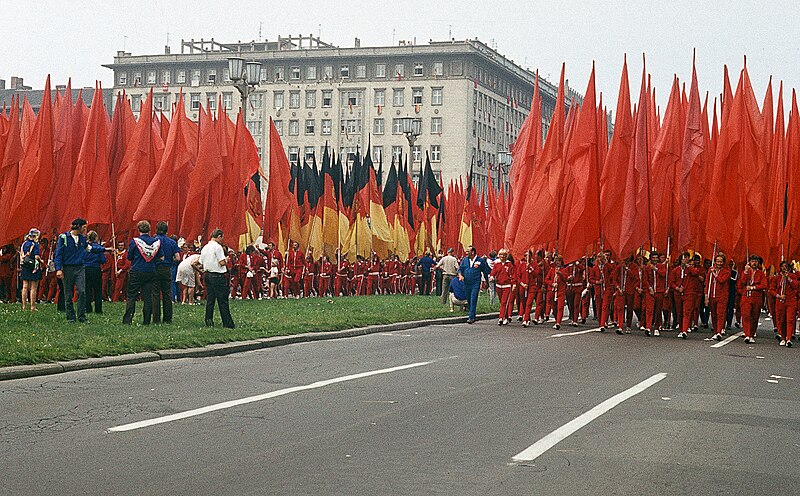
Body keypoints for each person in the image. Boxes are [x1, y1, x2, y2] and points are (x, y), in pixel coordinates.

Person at [54, 218, 108, 323]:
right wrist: (58, 269)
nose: (85, 229)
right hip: (67, 267)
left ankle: (82, 316)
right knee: (68, 293)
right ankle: (71, 317)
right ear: (78, 226)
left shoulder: (82, 239)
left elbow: (90, 249)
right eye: (84, 227)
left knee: (82, 291)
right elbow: (58, 254)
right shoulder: (64, 238)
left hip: (80, 267)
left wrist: (104, 249)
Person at [122, 220, 163, 325]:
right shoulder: (156, 242)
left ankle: (128, 320)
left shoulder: (134, 242)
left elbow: (130, 257)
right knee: (148, 297)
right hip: (150, 271)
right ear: (149, 230)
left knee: (131, 296)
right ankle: (146, 321)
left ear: (138, 229)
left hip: (136, 270)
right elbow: (161, 257)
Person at [200, 229, 235, 328]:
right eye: (222, 237)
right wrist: (227, 259)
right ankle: (227, 323)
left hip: (207, 274)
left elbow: (201, 262)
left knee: (210, 300)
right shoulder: (217, 247)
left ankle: (209, 320)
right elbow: (222, 262)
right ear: (219, 236)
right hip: (218, 275)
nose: (222, 240)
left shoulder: (205, 247)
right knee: (222, 300)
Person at [150, 222, 180, 324]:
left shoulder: (153, 241)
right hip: (167, 268)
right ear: (167, 230)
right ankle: (167, 318)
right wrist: (171, 261)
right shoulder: (172, 242)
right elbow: (178, 257)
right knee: (167, 294)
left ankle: (156, 318)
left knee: (155, 294)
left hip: (155, 268)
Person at [457, 245, 490, 324]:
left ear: (473, 252)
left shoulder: (480, 260)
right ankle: (473, 315)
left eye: (468, 251)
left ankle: (471, 317)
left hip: (475, 283)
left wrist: (486, 282)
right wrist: (460, 275)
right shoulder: (465, 260)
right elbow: (460, 269)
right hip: (466, 283)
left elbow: (485, 272)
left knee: (473, 298)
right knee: (468, 299)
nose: (466, 252)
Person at [738, 255, 767, 344]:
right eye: (752, 261)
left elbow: (764, 285)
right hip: (746, 297)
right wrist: (746, 272)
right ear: (749, 262)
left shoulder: (761, 273)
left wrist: (753, 287)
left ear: (758, 263)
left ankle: (751, 333)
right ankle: (747, 334)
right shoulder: (745, 272)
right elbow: (741, 283)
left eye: (755, 261)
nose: (754, 263)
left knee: (754, 317)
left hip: (756, 298)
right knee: (746, 315)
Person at [770, 261, 798, 347]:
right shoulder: (777, 278)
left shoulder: (793, 276)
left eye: (786, 266)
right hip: (780, 301)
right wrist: (778, 296)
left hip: (791, 301)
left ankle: (789, 338)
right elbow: (771, 290)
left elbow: (796, 286)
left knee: (790, 320)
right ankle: (782, 337)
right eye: (782, 266)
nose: (784, 268)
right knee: (781, 320)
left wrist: (788, 278)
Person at [706, 254, 732, 342]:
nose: (719, 263)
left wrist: (715, 274)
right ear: (715, 262)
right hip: (712, 295)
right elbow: (707, 284)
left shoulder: (727, 271)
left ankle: (719, 332)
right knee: (713, 314)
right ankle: (715, 330)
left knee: (720, 314)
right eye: (718, 261)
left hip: (722, 296)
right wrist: (706, 295)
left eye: (721, 261)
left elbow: (721, 280)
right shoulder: (710, 270)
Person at [489, 248, 516, 325]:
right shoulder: (497, 264)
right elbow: (493, 272)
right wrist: (491, 276)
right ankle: (506, 317)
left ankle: (501, 317)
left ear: (506, 256)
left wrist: (514, 284)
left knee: (504, 302)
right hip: (498, 285)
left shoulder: (509, 264)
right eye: (500, 255)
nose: (502, 257)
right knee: (502, 302)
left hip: (507, 285)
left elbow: (513, 275)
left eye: (503, 255)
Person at [84, 231, 107, 315]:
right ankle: (98, 309)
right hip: (96, 269)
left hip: (86, 269)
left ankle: (88, 308)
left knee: (87, 289)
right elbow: (103, 260)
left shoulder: (85, 248)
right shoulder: (98, 248)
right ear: (96, 238)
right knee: (97, 290)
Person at [20, 228, 43, 312]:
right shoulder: (35, 244)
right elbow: (36, 256)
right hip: (33, 267)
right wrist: (41, 261)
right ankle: (32, 306)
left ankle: (24, 306)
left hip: (25, 266)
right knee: (33, 288)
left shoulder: (24, 244)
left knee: (25, 286)